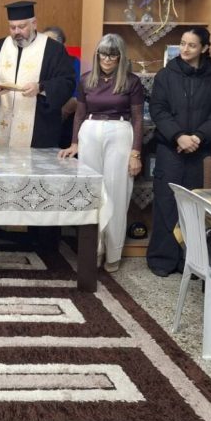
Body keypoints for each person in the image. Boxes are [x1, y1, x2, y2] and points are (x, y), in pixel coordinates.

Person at [147, 26, 211, 277]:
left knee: (197, 208)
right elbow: (158, 109)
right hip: (171, 149)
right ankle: (162, 260)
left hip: (202, 151)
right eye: (182, 43)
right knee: (166, 203)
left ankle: (193, 262)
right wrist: (179, 136)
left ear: (204, 48)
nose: (185, 49)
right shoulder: (166, 74)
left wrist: (198, 137)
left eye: (192, 45)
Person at [59, 33, 144, 273]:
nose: (107, 59)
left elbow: (138, 118)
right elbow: (79, 114)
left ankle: (113, 252)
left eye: (112, 55)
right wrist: (74, 143)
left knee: (116, 193)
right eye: (103, 54)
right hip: (90, 131)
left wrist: (135, 153)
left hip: (120, 131)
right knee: (91, 192)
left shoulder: (132, 82)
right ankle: (93, 249)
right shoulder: (86, 79)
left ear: (120, 57)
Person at [0, 2, 76, 148]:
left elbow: (67, 82)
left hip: (39, 133)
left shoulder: (53, 49)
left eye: (22, 27)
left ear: (34, 24)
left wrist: (41, 87)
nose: (17, 32)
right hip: (3, 129)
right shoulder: (0, 47)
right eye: (12, 27)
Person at [44, 26, 80, 148]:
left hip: (65, 119)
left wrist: (60, 114)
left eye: (51, 42)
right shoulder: (40, 63)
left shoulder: (73, 62)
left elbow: (76, 96)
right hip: (42, 120)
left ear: (63, 45)